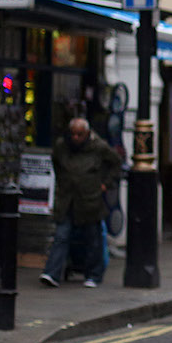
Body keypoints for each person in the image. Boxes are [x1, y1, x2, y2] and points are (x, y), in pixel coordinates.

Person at [41, 117, 121, 288]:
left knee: (92, 238)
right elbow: (56, 163)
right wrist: (63, 182)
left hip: (89, 200)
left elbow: (116, 163)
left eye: (79, 134)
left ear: (87, 133)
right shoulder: (62, 146)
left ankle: (94, 275)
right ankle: (52, 273)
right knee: (61, 236)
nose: (75, 138)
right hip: (67, 199)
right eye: (73, 134)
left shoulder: (98, 147)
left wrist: (105, 184)